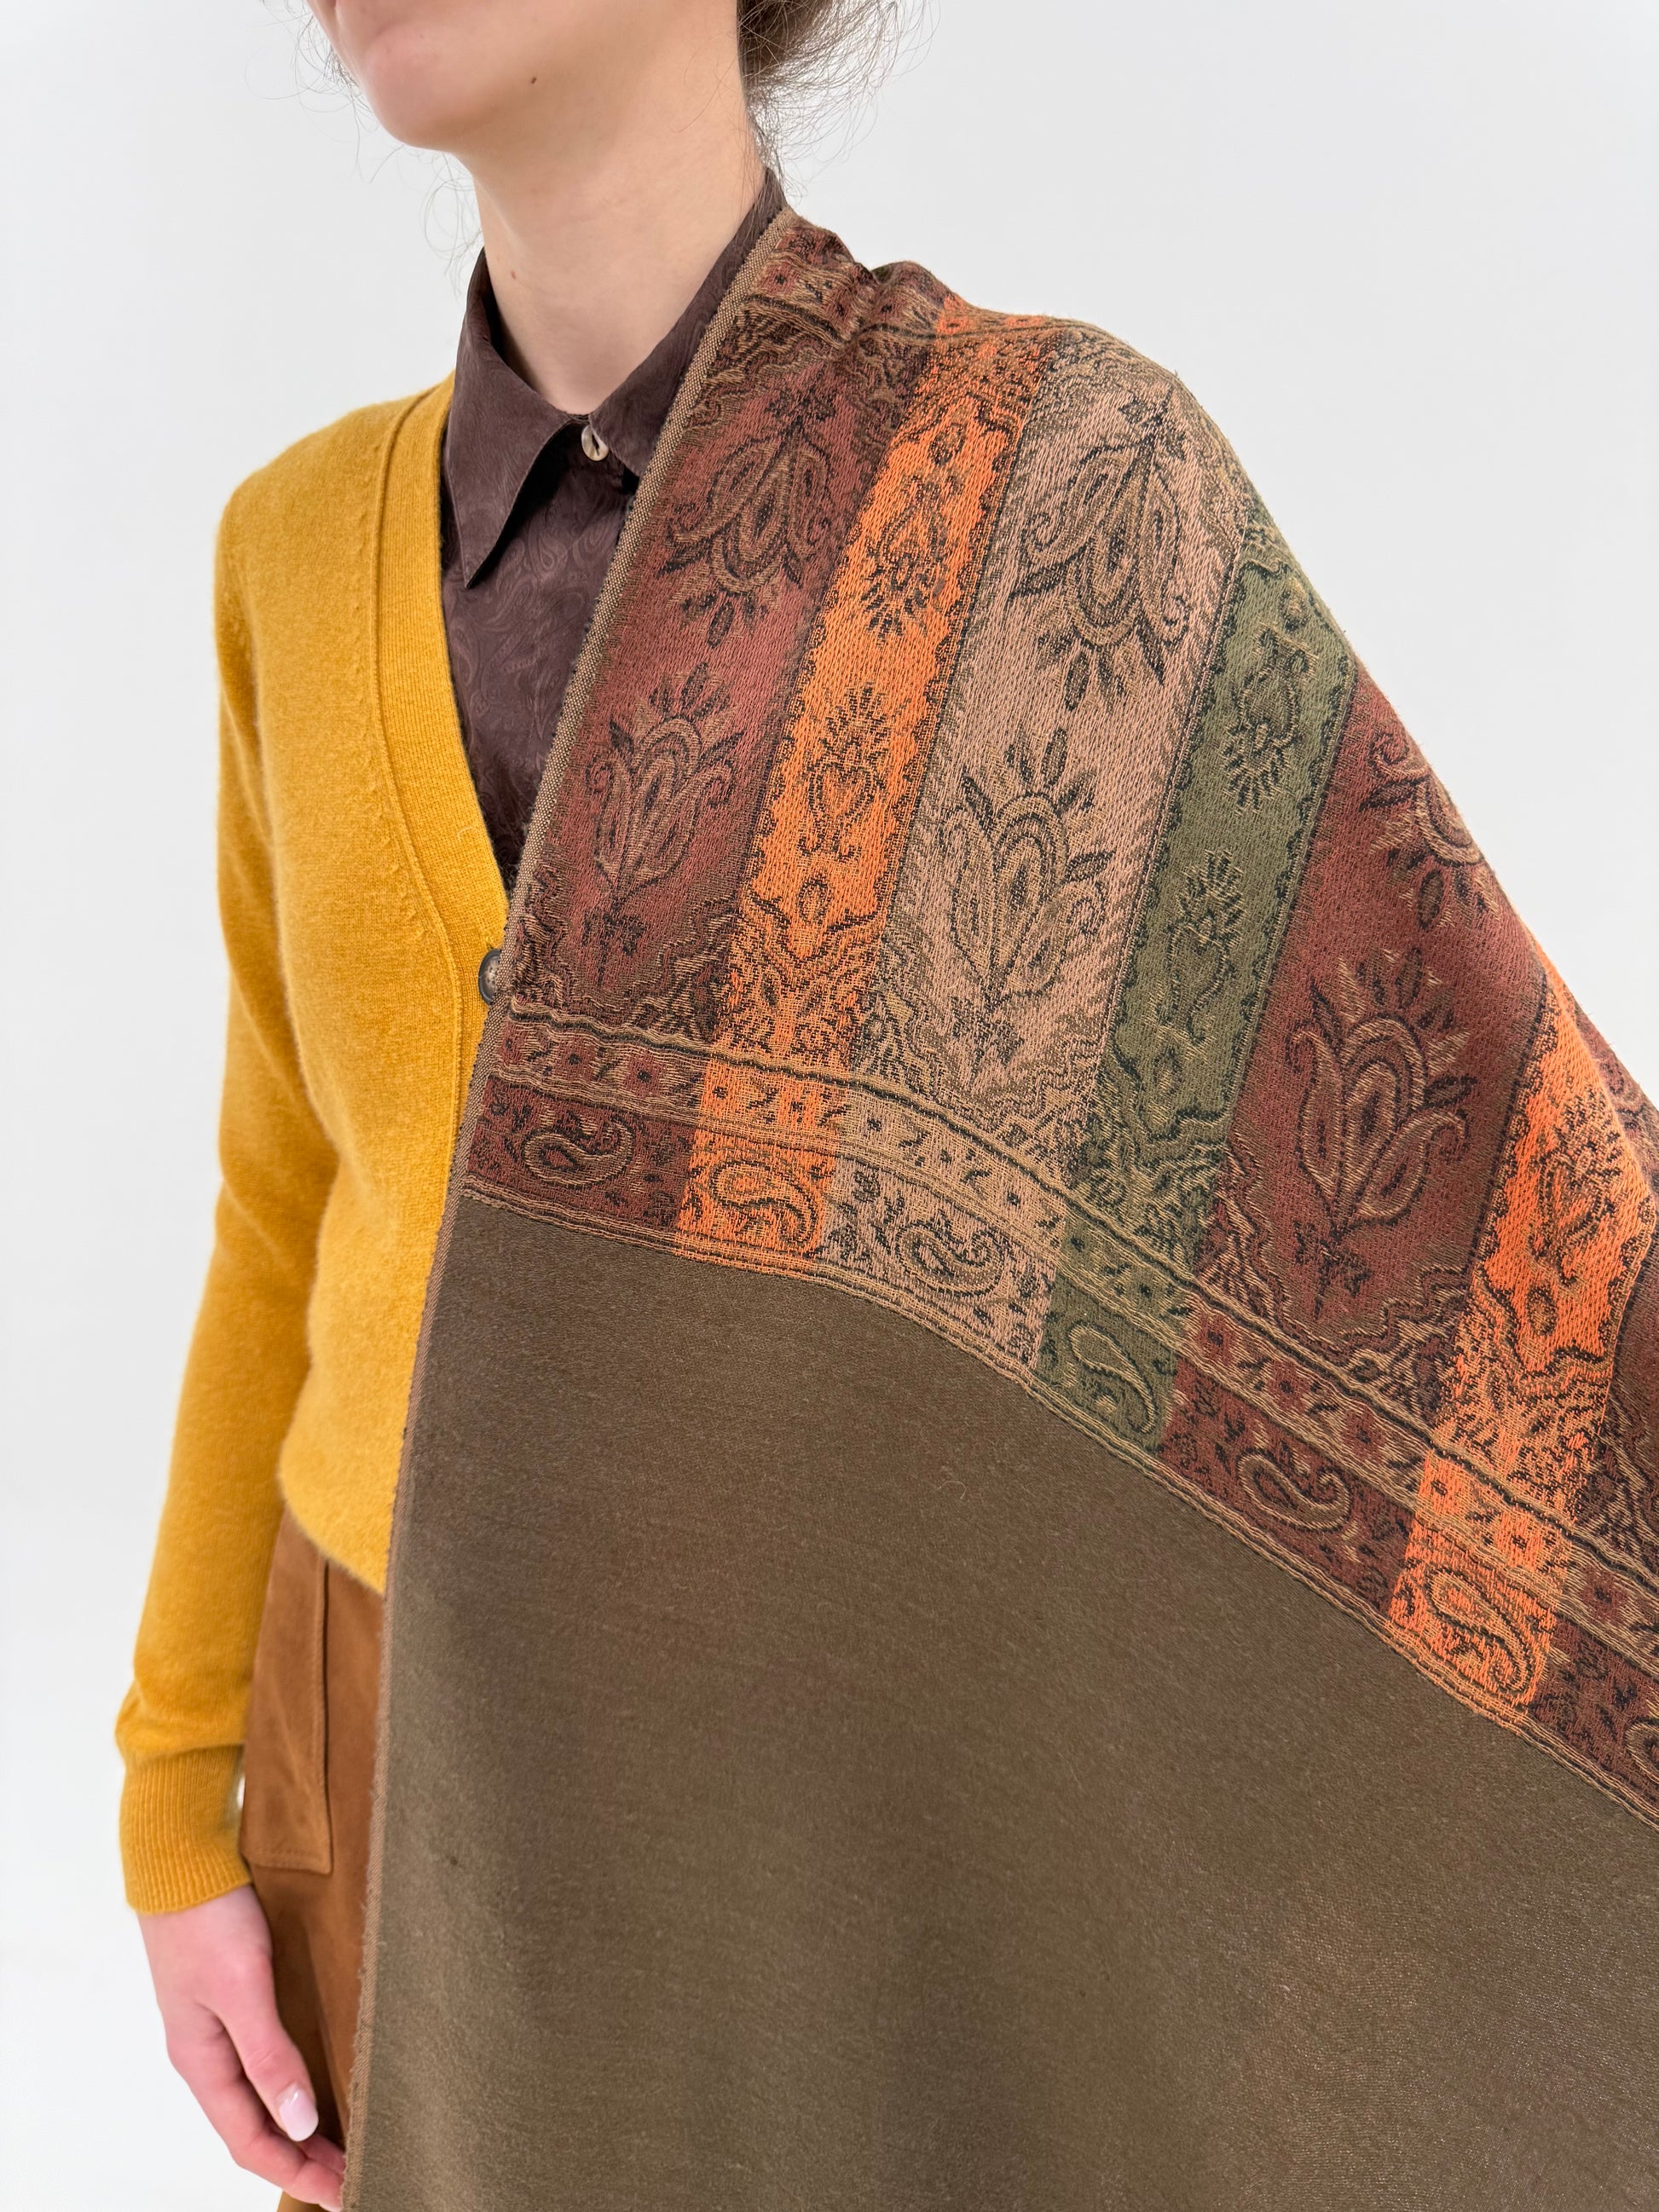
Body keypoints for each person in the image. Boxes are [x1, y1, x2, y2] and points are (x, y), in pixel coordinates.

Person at [118, 3, 1659, 2208]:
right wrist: (178, 1803)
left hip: (860, 1807)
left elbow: (1452, 1174)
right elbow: (278, 1205)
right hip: (374, 1744)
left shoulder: (1066, 491)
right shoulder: (290, 548)